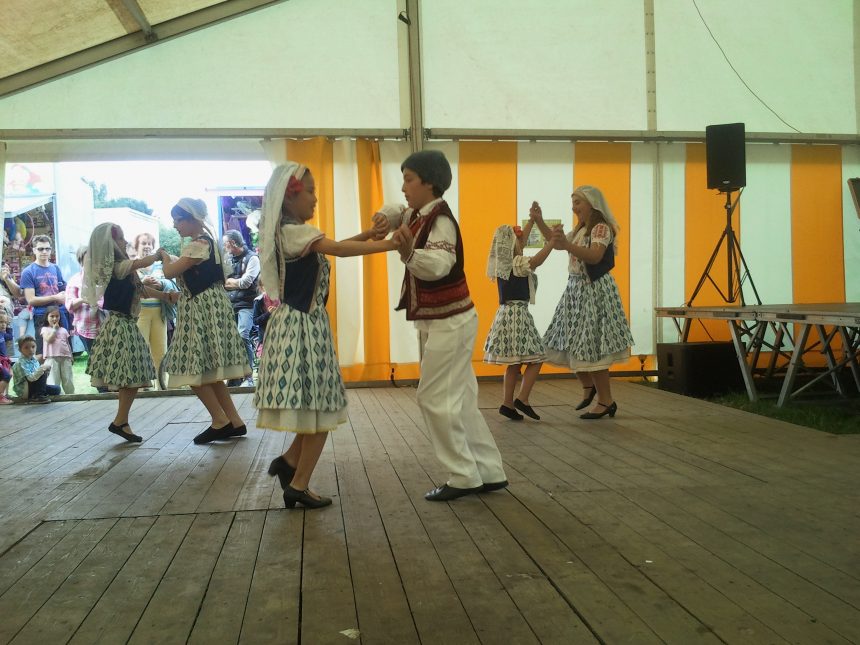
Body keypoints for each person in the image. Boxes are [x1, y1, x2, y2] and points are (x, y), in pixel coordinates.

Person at [257, 162, 397, 510]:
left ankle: (289, 463)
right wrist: (393, 245)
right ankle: (298, 484)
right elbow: (337, 249)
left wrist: (367, 235)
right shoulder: (295, 232)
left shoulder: (290, 232)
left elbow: (331, 246)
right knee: (320, 409)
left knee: (312, 406)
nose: (315, 198)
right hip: (303, 326)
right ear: (291, 196)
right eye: (311, 191)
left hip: (298, 325)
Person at [374, 150, 508, 502]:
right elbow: (395, 211)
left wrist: (408, 255)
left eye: (408, 180)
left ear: (429, 183)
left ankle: (463, 475)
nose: (403, 188)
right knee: (460, 399)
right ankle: (488, 470)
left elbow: (440, 265)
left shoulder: (440, 221)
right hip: (446, 319)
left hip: (451, 321)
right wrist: (382, 218)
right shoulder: (419, 214)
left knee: (432, 396)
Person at [531, 187, 634, 419]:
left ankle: (606, 400)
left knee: (592, 345)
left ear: (591, 204)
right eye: (573, 203)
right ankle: (589, 387)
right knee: (566, 339)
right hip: (576, 290)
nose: (574, 207)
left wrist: (566, 245)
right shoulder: (581, 229)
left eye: (578, 202)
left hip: (594, 291)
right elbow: (558, 243)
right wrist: (539, 221)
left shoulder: (600, 228)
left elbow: (596, 256)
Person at [158, 198, 250, 444]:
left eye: (178, 220)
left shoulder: (198, 244)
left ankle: (220, 421)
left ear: (192, 220)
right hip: (212, 305)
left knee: (188, 367)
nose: (175, 225)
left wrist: (164, 256)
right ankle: (234, 421)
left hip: (201, 309)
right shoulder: (208, 242)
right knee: (210, 370)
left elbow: (169, 272)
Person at [84, 223, 177, 442]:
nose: (124, 242)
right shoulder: (116, 267)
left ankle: (121, 421)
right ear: (109, 244)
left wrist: (165, 296)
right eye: (119, 239)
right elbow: (139, 263)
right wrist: (156, 256)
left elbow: (140, 289)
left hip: (124, 323)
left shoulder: (123, 268)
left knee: (133, 374)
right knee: (132, 374)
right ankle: (120, 421)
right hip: (119, 324)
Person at [483, 217, 552, 421]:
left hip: (506, 314)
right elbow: (536, 261)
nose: (522, 243)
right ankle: (522, 398)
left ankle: (507, 403)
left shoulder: (503, 265)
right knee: (538, 356)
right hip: (517, 315)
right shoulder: (517, 263)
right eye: (518, 241)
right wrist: (551, 244)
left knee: (514, 362)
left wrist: (532, 220)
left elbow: (521, 244)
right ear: (510, 245)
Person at [19, 235, 70, 355]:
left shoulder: (56, 268)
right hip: (42, 315)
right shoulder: (28, 271)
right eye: (40, 249)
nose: (44, 252)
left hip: (59, 313)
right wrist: (55, 297)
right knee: (43, 353)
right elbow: (31, 300)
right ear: (34, 250)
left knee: (64, 350)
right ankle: (43, 374)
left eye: (47, 249)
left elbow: (62, 288)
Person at [134, 232, 173, 385]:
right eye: (144, 243)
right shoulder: (133, 265)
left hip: (159, 312)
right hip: (140, 313)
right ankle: (142, 386)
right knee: (140, 351)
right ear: (137, 246)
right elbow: (128, 290)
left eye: (150, 243)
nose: (147, 246)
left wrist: (161, 284)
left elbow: (172, 284)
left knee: (161, 351)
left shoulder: (160, 266)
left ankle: (162, 386)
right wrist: (142, 282)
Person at [222, 229, 260, 386]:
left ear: (231, 243)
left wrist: (230, 282)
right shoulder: (228, 259)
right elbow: (222, 281)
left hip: (248, 304)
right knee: (230, 338)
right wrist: (231, 282)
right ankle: (234, 376)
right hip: (231, 303)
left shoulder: (253, 259)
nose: (224, 248)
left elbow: (246, 282)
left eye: (225, 244)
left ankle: (248, 376)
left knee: (243, 334)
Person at [11, 335, 59, 403]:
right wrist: (42, 368)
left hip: (34, 386)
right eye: (26, 348)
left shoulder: (34, 360)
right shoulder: (20, 363)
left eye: (33, 347)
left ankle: (40, 393)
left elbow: (40, 378)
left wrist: (47, 370)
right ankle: (37, 397)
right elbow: (30, 378)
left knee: (57, 389)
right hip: (25, 391)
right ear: (20, 350)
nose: (30, 350)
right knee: (42, 371)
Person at [40, 305, 75, 394]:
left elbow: (67, 344)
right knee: (53, 378)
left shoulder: (63, 330)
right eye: (52, 316)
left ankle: (70, 395)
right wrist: (54, 330)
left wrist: (71, 356)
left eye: (57, 316)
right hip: (52, 358)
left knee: (68, 378)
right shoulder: (45, 329)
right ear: (47, 317)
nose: (55, 319)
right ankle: (55, 396)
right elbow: (48, 339)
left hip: (65, 357)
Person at [0, 310, 13, 404]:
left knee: (7, 375)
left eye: (5, 322)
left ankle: (3, 395)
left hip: (4, 360)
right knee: (6, 376)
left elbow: (10, 336)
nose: (3, 324)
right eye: (1, 322)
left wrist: (9, 325)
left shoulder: (2, 334)